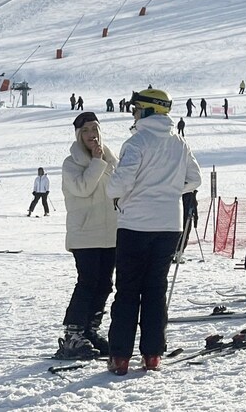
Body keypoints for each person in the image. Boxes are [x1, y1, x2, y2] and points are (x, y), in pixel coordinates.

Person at [105, 88, 201, 374]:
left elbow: (118, 184)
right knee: (155, 289)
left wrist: (121, 193)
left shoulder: (137, 142)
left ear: (147, 111)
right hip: (169, 224)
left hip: (135, 224)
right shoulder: (179, 143)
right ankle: (153, 355)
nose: (133, 113)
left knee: (128, 290)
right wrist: (168, 191)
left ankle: (120, 357)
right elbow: (193, 179)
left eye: (135, 108)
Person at [58, 110, 118, 359]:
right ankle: (73, 335)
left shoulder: (111, 158)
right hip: (85, 233)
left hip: (111, 232)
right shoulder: (71, 163)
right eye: (85, 131)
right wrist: (96, 162)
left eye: (94, 129)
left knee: (105, 284)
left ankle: (90, 330)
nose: (91, 135)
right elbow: (83, 188)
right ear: (78, 135)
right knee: (87, 282)